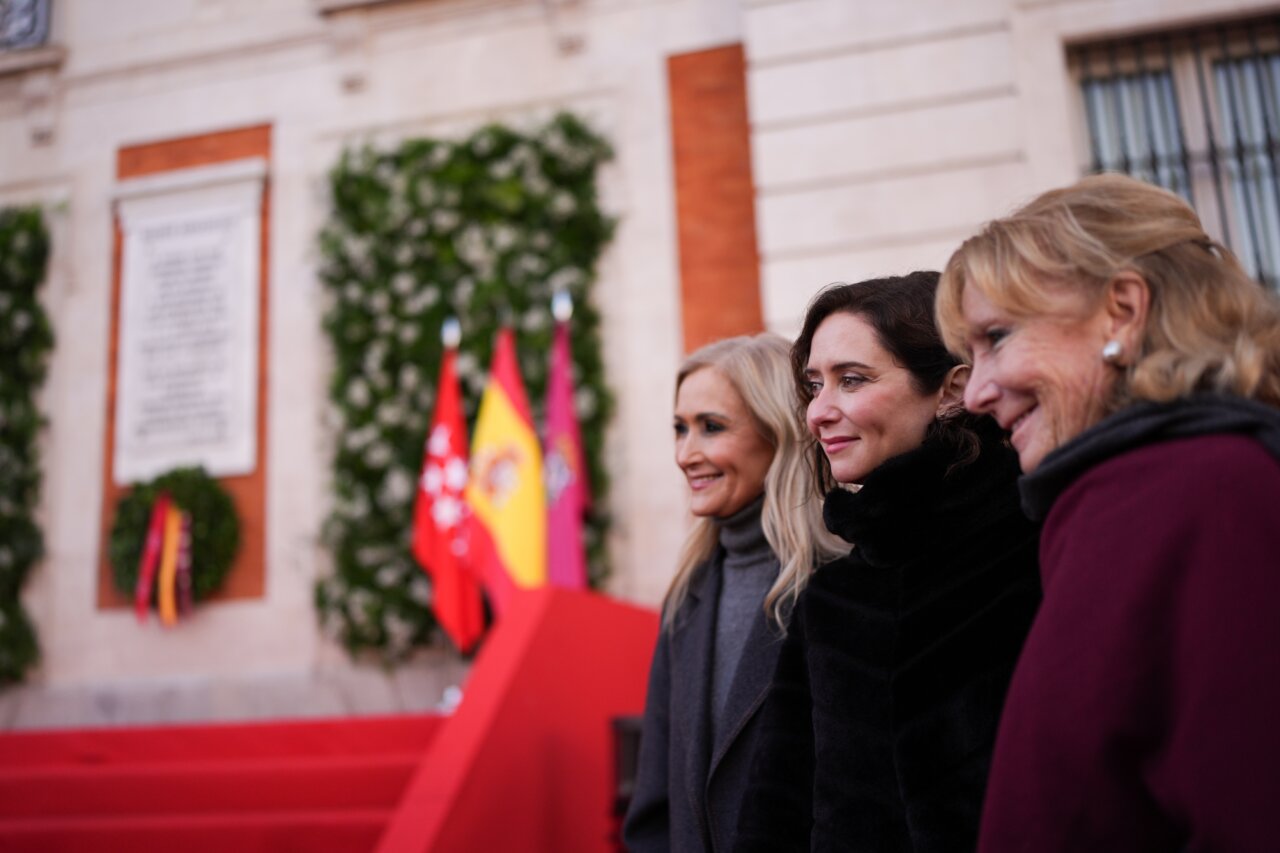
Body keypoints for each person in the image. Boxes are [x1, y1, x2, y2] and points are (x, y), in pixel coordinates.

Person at [935, 173, 1280, 851]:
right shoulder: (1121, 498)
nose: (975, 392)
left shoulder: (1212, 495)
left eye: (998, 336)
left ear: (1122, 309)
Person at [735, 272, 1041, 852]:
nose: (818, 412)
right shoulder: (833, 598)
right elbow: (777, 814)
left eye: (851, 380)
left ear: (952, 389)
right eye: (814, 385)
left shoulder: (1041, 551)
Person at [624, 333, 845, 853]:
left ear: (779, 433)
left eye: (711, 428)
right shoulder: (687, 595)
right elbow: (655, 799)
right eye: (679, 429)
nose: (685, 454)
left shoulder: (841, 583)